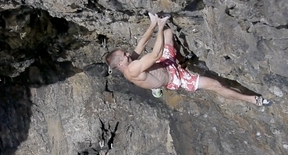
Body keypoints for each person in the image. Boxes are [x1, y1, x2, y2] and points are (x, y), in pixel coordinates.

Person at [105, 13, 272, 106]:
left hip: (165, 65)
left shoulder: (128, 63)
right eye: (125, 55)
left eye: (126, 53)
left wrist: (153, 24)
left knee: (168, 34)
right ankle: (253, 99)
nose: (129, 54)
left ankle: (183, 60)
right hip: (175, 79)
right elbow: (154, 55)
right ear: (120, 64)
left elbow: (141, 45)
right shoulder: (132, 69)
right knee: (216, 85)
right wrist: (161, 25)